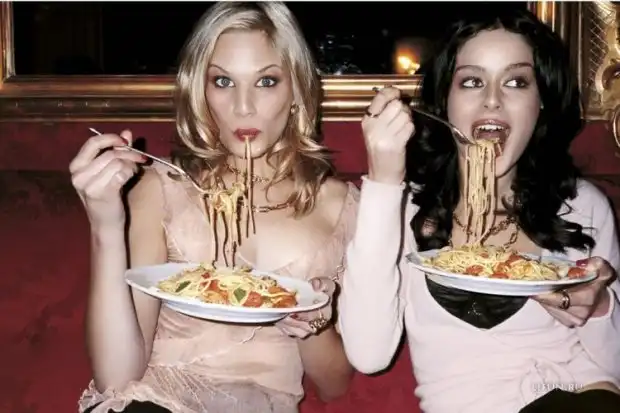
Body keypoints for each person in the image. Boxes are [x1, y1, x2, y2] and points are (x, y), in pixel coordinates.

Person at [70, 2, 358, 413]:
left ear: (296, 90)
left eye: (266, 81)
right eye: (223, 81)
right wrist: (105, 226)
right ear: (201, 93)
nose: (243, 107)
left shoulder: (342, 206)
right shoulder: (162, 189)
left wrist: (313, 322)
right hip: (154, 399)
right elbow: (117, 379)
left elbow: (334, 386)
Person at [338, 7, 620, 413]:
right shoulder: (400, 208)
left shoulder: (580, 205)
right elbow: (369, 355)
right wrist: (383, 180)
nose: (492, 100)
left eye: (516, 82)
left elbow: (613, 366)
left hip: (583, 397)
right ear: (445, 101)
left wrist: (598, 307)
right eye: (472, 81)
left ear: (541, 102)